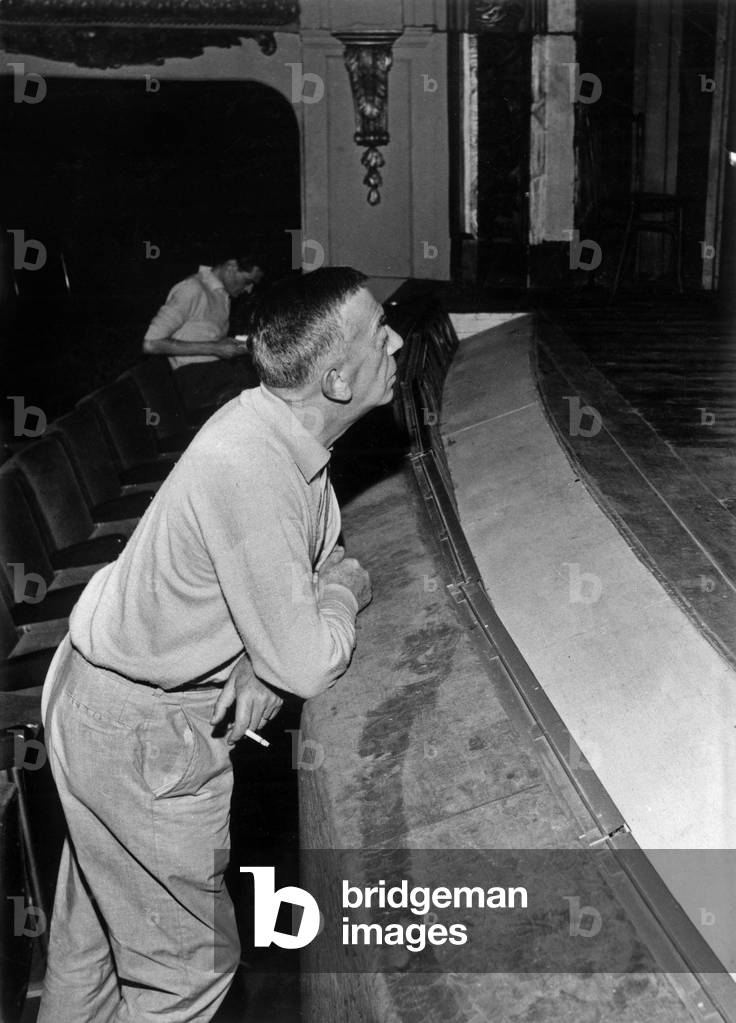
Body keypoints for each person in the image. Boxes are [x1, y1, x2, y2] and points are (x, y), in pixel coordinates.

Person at [38, 267, 403, 1023]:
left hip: (99, 699)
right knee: (188, 974)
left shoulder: (273, 428)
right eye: (379, 334)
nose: (396, 340)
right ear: (336, 380)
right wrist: (344, 593)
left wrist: (258, 657)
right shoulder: (256, 466)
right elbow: (309, 647)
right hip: (140, 737)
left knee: (92, 949)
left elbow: (290, 575)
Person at [142, 251, 265, 412]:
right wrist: (215, 348)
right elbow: (151, 343)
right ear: (231, 266)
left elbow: (206, 337)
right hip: (193, 378)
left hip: (212, 372)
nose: (249, 290)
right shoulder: (192, 288)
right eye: (248, 281)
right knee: (259, 394)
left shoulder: (221, 294)